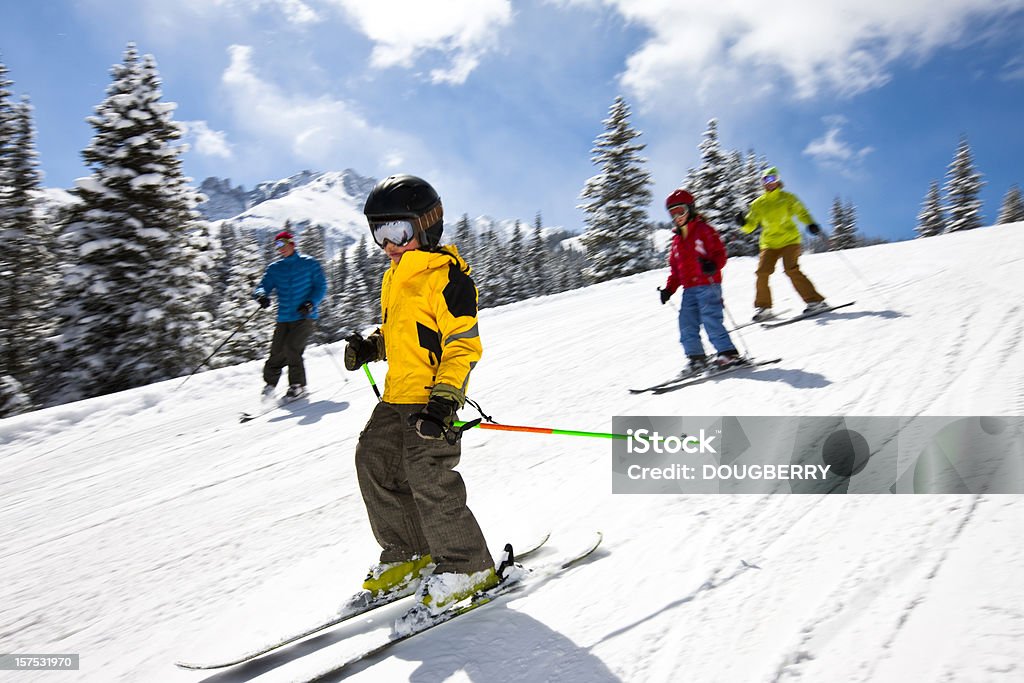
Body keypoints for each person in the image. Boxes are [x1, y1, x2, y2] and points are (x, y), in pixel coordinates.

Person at [343, 174, 495, 615]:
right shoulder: (394, 277)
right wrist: (373, 346)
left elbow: (461, 344)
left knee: (429, 479)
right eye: (380, 233)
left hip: (433, 400)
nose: (389, 244)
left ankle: (468, 565)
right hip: (396, 396)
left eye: (399, 232)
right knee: (374, 462)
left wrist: (446, 400)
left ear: (426, 226)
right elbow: (404, 334)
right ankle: (409, 552)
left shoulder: (447, 279)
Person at [659, 189, 743, 376]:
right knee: (686, 322)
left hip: (708, 284)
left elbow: (720, 254)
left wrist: (713, 265)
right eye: (672, 213)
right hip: (689, 289)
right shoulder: (676, 241)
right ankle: (696, 359)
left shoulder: (705, 230)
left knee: (710, 318)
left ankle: (728, 354)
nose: (677, 217)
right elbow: (676, 271)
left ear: (690, 209)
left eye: (680, 211)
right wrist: (669, 289)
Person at [737, 166, 827, 322]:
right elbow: (751, 226)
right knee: (762, 272)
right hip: (769, 244)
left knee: (791, 269)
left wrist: (810, 224)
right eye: (765, 180)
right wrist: (743, 223)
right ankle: (764, 308)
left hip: (789, 240)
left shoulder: (788, 198)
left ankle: (815, 301)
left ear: (778, 180)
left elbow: (802, 213)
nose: (769, 183)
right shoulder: (758, 203)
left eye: (772, 179)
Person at [253, 229, 327, 399]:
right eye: (277, 245)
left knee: (292, 348)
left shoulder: (309, 263)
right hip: (284, 317)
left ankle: (298, 385)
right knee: (277, 351)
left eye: (283, 244)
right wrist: (261, 296)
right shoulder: (275, 268)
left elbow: (321, 286)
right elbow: (262, 286)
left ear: (292, 244)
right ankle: (270, 385)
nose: (281, 248)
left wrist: (310, 303)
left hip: (305, 316)